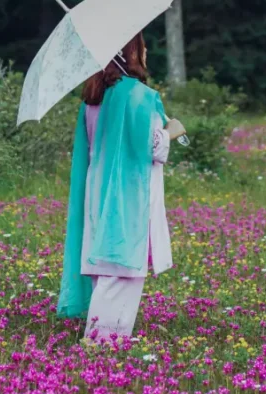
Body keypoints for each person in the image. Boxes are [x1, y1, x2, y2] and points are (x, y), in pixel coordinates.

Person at [56, 31, 186, 342]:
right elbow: (152, 148)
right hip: (128, 193)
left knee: (106, 265)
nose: (146, 52)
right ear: (131, 52)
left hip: (97, 191)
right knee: (122, 268)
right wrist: (171, 131)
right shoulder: (139, 96)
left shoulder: (93, 99)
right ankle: (102, 341)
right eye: (142, 46)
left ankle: (110, 337)